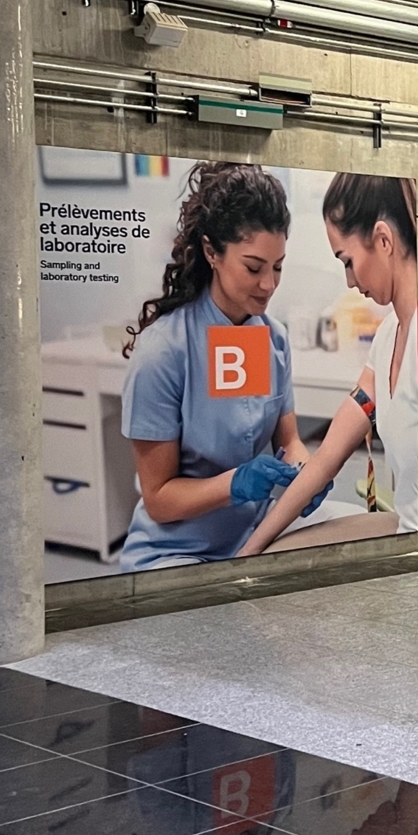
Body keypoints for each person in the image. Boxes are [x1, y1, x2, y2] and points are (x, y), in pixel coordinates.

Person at [118, 161, 321, 569]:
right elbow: (158, 500)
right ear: (212, 252)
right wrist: (236, 484)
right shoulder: (164, 352)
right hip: (176, 552)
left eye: (277, 266)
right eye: (253, 267)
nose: (268, 285)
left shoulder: (274, 339)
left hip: (256, 534)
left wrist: (306, 471)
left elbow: (290, 442)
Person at [236, 174, 418, 554]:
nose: (350, 281)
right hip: (409, 531)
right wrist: (247, 554)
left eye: (348, 261)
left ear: (384, 240)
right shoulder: (387, 340)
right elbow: (324, 461)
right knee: (274, 555)